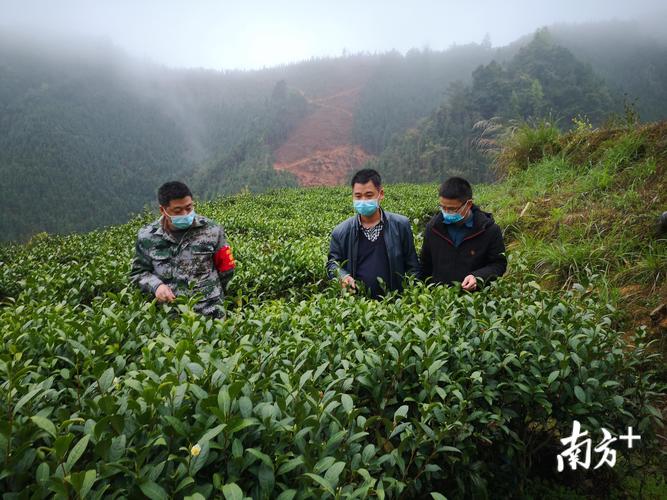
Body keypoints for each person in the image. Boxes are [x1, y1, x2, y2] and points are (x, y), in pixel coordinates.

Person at [130, 181, 235, 318]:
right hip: (171, 316)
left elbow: (226, 269)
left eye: (189, 208)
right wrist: (156, 286)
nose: (185, 214)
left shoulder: (213, 230)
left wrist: (215, 294)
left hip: (211, 313)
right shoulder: (147, 237)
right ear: (163, 210)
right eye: (178, 210)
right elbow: (138, 273)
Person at [327, 169, 420, 298]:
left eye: (369, 195)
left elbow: (412, 266)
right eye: (358, 196)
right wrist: (343, 276)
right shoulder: (341, 231)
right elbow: (332, 264)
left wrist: (411, 297)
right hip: (358, 304)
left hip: (395, 303)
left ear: (380, 194)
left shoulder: (400, 225)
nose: (363, 200)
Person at [420, 176, 506, 290]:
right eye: (443, 207)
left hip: (475, 297)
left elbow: (498, 264)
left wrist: (478, 277)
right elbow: (425, 265)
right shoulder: (433, 229)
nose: (446, 212)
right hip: (440, 296)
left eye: (452, 209)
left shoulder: (489, 230)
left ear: (468, 204)